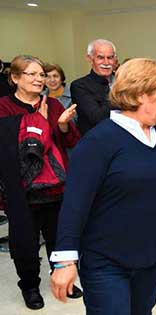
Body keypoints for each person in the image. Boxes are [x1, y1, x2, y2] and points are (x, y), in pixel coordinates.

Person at [49, 58, 156, 314]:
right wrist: (65, 259)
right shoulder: (98, 141)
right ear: (142, 95)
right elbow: (75, 203)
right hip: (106, 260)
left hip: (153, 254)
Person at [0, 55, 82, 310]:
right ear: (15, 78)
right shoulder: (4, 107)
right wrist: (41, 123)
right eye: (32, 74)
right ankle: (30, 286)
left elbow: (70, 143)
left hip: (56, 187)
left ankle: (62, 278)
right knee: (24, 242)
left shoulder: (54, 105)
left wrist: (63, 126)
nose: (39, 79)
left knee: (60, 238)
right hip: (21, 189)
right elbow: (16, 147)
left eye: (41, 75)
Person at [71, 39, 118, 135]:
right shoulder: (79, 86)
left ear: (115, 59)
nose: (106, 62)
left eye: (110, 57)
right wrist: (118, 92)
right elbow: (97, 117)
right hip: (98, 142)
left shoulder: (124, 81)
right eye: (100, 58)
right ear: (89, 58)